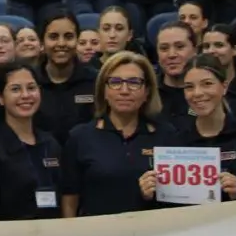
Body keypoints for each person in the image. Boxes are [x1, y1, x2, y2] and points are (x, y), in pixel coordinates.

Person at [61, 51, 174, 217]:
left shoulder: (166, 135)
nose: (124, 90)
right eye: (115, 82)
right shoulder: (80, 137)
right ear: (104, 91)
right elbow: (70, 199)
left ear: (147, 91)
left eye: (134, 82)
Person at [141, 56, 236, 201]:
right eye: (189, 87)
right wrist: (149, 194)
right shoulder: (174, 142)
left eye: (207, 84)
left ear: (224, 87)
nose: (197, 93)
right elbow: (167, 206)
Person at [0, 61, 63, 221]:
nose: (25, 95)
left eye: (31, 88)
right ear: (0, 97)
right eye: (15, 89)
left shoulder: (51, 144)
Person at [34, 10, 96, 146]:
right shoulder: (30, 82)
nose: (61, 43)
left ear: (77, 40)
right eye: (53, 37)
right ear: (42, 43)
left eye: (68, 36)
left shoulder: (95, 81)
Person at [155, 21, 197, 124]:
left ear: (195, 50)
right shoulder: (146, 93)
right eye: (164, 48)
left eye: (179, 47)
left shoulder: (206, 92)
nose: (172, 54)